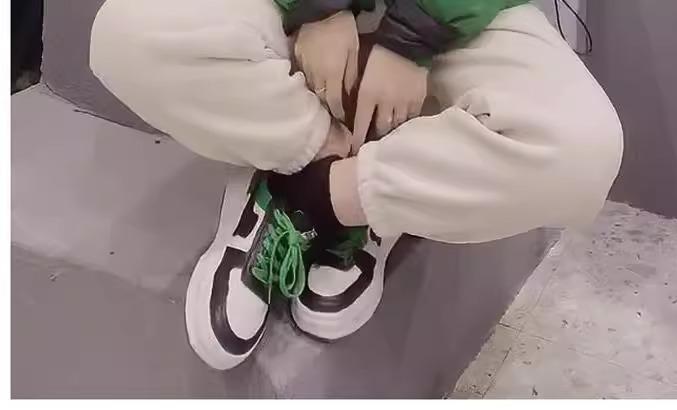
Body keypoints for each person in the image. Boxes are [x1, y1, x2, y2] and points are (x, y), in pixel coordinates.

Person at [90, 0, 623, 370]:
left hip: (465, 14)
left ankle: (324, 195)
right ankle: (322, 149)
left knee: (581, 151)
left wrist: (415, 33)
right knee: (127, 35)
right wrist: (318, 7)